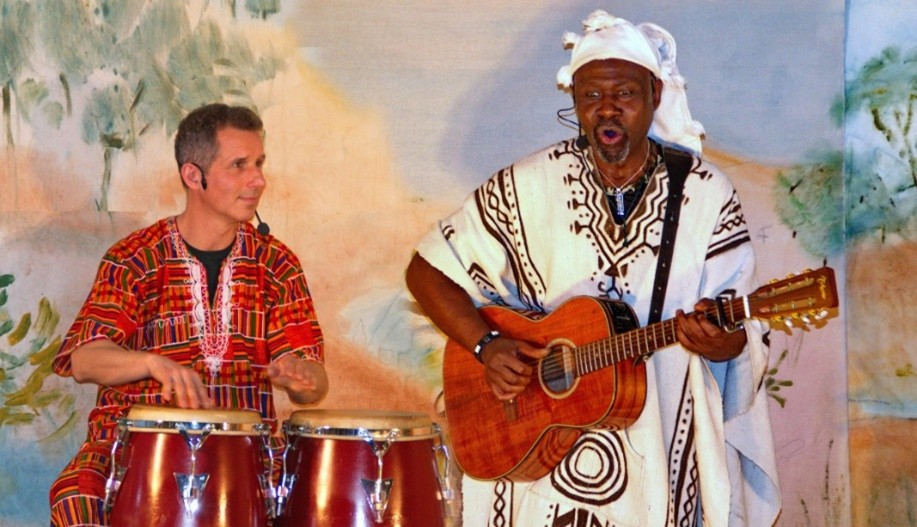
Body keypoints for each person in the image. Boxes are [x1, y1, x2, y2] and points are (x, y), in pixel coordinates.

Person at [406, 10, 780, 527]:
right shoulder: (526, 187)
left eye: (624, 95)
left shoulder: (705, 195)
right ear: (575, 102)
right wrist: (485, 346)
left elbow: (739, 337)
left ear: (654, 93)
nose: (606, 111)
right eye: (590, 97)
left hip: (661, 444)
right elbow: (426, 272)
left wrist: (716, 340)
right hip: (535, 455)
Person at [48, 103, 328, 526]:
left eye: (259, 163)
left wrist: (302, 377)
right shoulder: (134, 258)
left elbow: (314, 385)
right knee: (76, 495)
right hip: (134, 452)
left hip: (246, 455)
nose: (258, 180)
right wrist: (149, 363)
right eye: (239, 165)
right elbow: (84, 361)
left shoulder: (277, 265)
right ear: (193, 176)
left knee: (314, 502)